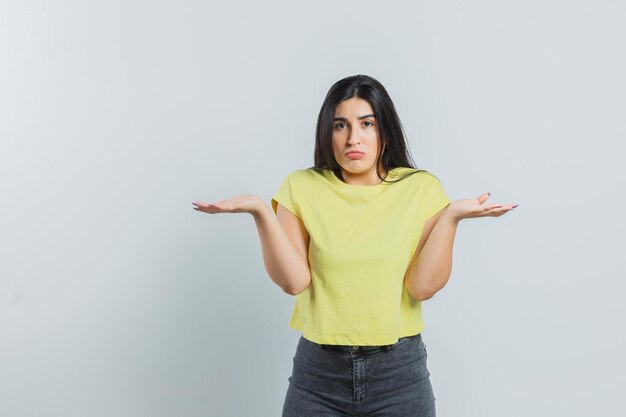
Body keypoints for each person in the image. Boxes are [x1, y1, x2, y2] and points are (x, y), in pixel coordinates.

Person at [192, 74, 517, 416]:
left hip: (399, 375)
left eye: (366, 124)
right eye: (340, 125)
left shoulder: (421, 190)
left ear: (385, 132)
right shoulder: (301, 187)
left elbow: (421, 288)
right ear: (327, 133)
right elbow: (294, 282)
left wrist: (452, 217)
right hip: (318, 375)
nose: (353, 138)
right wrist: (259, 210)